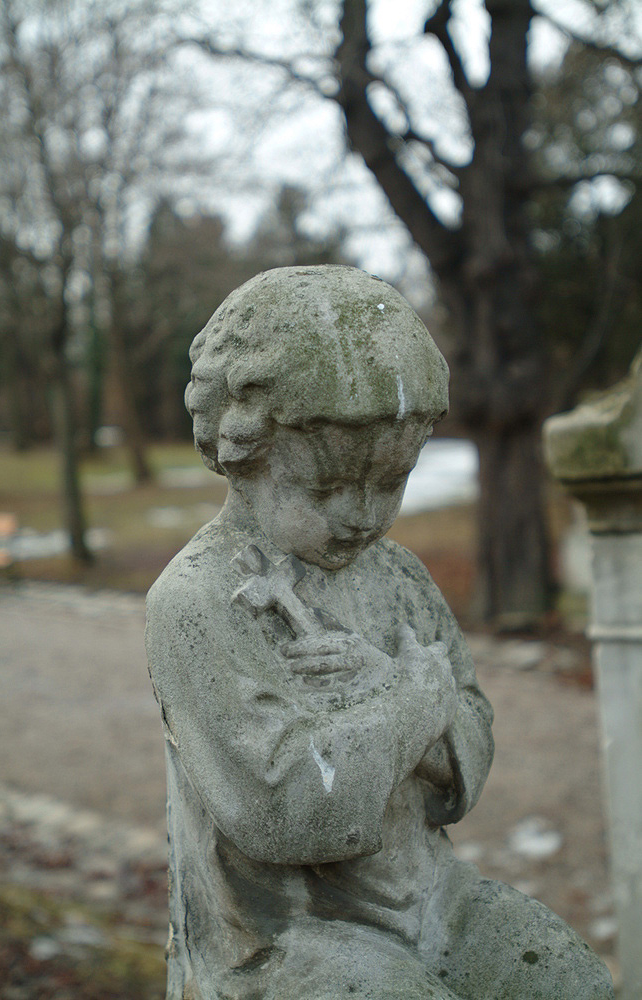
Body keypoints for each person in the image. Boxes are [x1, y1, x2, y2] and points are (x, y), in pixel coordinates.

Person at [145, 266, 613, 999]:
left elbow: (470, 743)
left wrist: (412, 706)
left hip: (433, 901)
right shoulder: (198, 599)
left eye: (388, 484)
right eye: (326, 489)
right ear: (241, 453)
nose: (361, 516)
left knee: (567, 979)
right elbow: (284, 813)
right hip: (280, 939)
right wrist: (409, 703)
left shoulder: (396, 576)